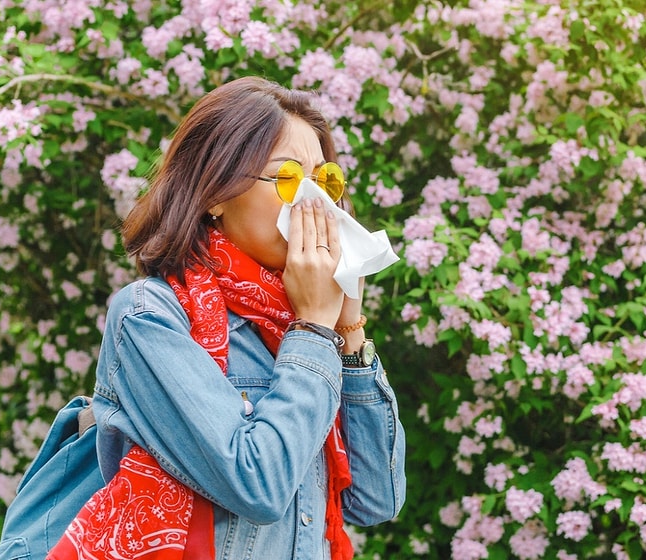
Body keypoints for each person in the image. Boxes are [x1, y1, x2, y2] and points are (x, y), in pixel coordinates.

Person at [55, 76, 406, 559]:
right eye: (287, 178)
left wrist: (346, 327)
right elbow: (256, 484)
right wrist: (315, 329)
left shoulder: (299, 328)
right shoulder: (150, 316)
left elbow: (376, 499)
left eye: (325, 181)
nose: (315, 202)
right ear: (214, 193)